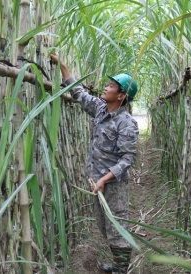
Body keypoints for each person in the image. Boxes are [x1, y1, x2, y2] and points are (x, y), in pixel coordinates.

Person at [50, 53, 139, 274]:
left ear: (121, 96)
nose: (106, 87)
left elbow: (128, 159)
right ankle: (118, 265)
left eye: (111, 86)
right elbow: (78, 92)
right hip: (96, 181)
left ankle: (120, 269)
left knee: (116, 227)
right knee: (104, 225)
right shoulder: (100, 109)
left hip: (112, 184)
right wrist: (63, 65)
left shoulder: (126, 123)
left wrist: (104, 179)